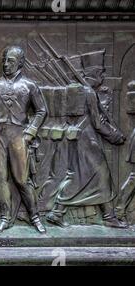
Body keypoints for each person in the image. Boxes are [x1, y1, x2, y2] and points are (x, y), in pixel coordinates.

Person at [46, 50, 127, 229]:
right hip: (88, 143)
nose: (103, 76)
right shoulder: (88, 92)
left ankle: (106, 215)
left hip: (75, 141)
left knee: (79, 176)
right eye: (102, 72)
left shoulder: (73, 90)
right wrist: (115, 137)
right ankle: (106, 216)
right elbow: (98, 124)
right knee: (100, 175)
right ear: (95, 73)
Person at [0, 46, 47, 234]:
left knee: (21, 179)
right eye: (4, 60)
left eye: (10, 60)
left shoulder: (30, 85)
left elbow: (42, 110)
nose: (6, 64)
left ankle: (35, 217)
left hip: (19, 134)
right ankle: (5, 218)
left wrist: (30, 132)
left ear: (20, 62)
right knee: (0, 177)